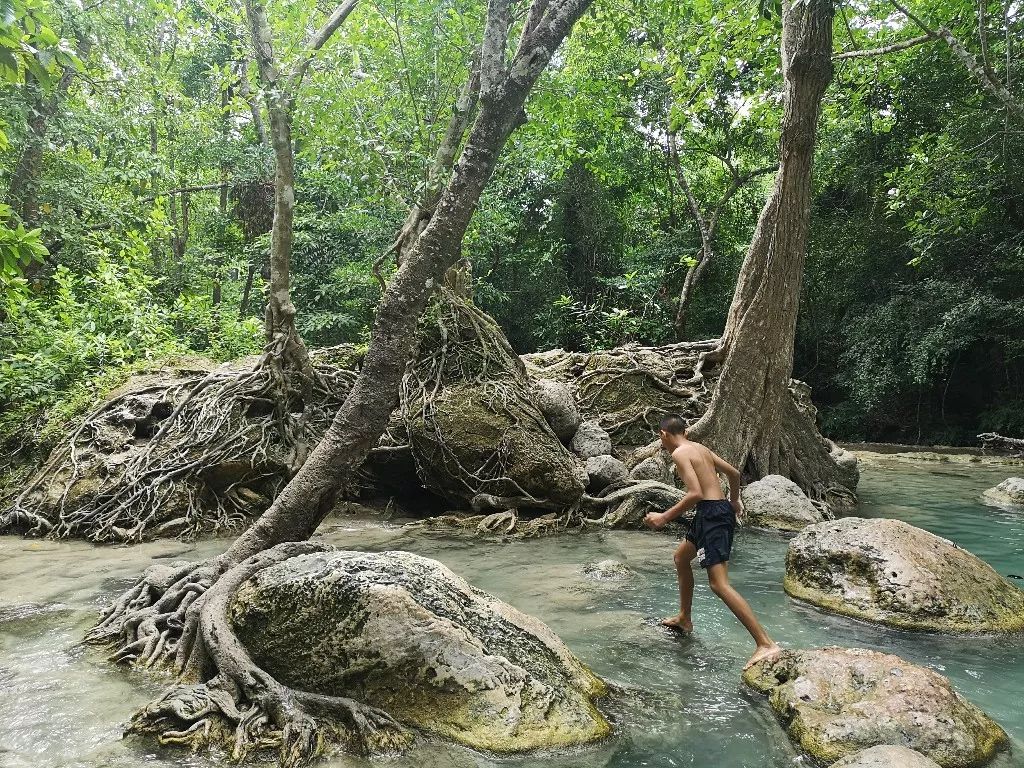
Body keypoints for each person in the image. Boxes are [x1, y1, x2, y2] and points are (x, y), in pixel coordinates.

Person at [644, 413, 781, 670]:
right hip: (714, 512)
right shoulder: (700, 448)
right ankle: (685, 618)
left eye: (660, 438)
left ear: (664, 434)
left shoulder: (679, 454)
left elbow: (695, 493)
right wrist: (735, 500)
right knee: (681, 557)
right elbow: (734, 473)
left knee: (719, 585)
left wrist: (663, 517)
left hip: (711, 515)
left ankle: (765, 643)